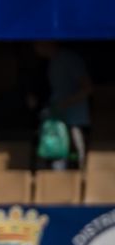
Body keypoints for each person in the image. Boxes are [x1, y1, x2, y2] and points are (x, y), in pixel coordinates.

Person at [33, 41, 93, 169]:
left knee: (77, 153)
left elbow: (87, 88)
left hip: (73, 119)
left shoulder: (69, 59)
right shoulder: (53, 62)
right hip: (56, 118)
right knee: (55, 152)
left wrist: (65, 104)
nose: (35, 47)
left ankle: (81, 181)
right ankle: (58, 183)